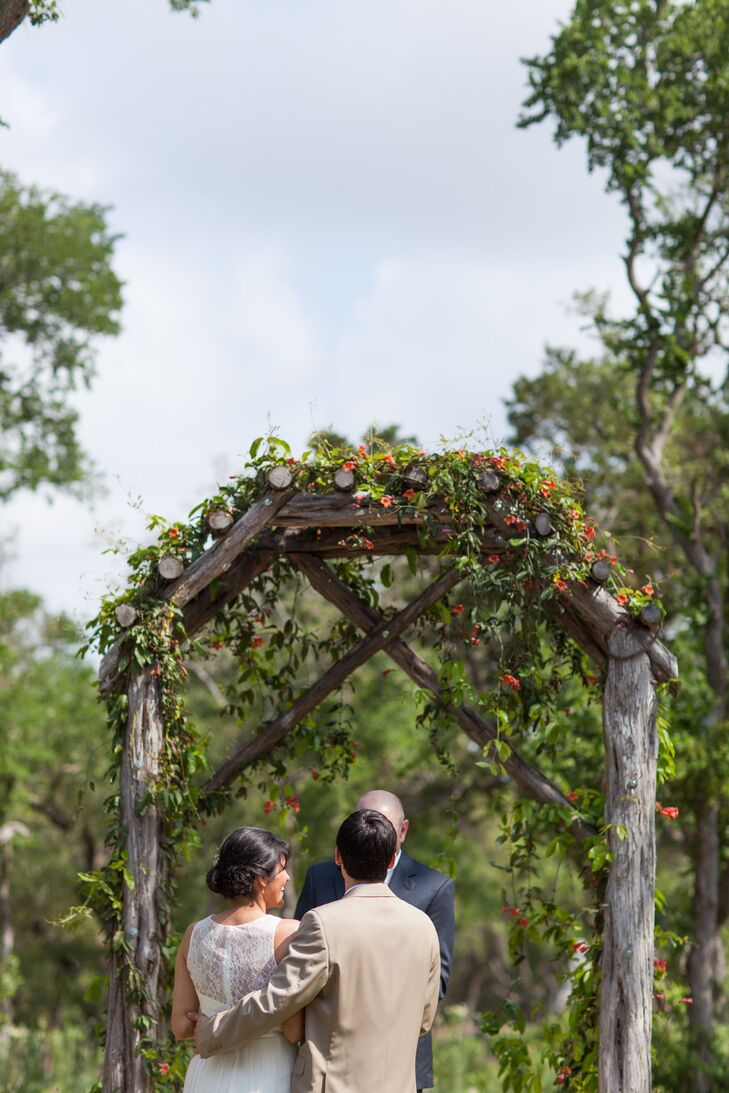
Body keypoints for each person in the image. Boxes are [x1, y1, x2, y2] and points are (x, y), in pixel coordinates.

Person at [189, 809, 441, 1093]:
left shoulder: (323, 923)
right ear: (393, 859)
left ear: (338, 857)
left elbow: (276, 1001)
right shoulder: (423, 927)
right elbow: (424, 1019)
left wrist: (212, 1032)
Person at [295, 789, 455, 1092]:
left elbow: (437, 982)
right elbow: (299, 966)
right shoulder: (320, 876)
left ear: (403, 831)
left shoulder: (434, 887)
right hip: (330, 1061)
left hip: (401, 1064)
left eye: (384, 825)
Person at [171, 826, 302, 1092]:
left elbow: (181, 1026)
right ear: (260, 878)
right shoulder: (287, 933)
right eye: (282, 869)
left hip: (207, 1073)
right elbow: (293, 1030)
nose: (287, 877)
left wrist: (213, 1025)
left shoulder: (193, 934)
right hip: (268, 1071)